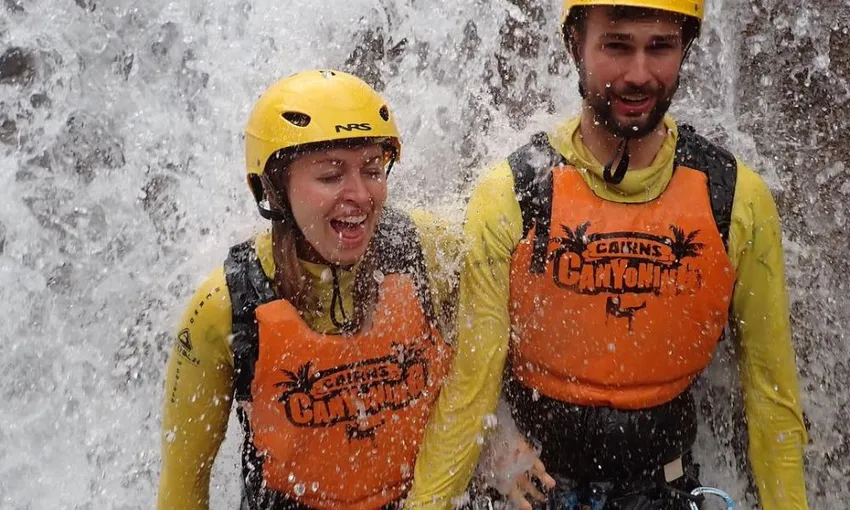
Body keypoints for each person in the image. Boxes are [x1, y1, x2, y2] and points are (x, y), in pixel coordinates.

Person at [406, 1, 808, 509]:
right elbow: (470, 392)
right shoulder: (513, 195)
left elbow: (772, 398)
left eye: (660, 47)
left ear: (685, 49)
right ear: (575, 45)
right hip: (539, 490)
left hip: (665, 489)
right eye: (617, 45)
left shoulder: (735, 199)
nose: (638, 74)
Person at [156, 69, 458, 510]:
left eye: (372, 170)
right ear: (275, 188)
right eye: (331, 175)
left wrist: (503, 439)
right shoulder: (225, 305)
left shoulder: (427, 250)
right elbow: (183, 489)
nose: (360, 195)